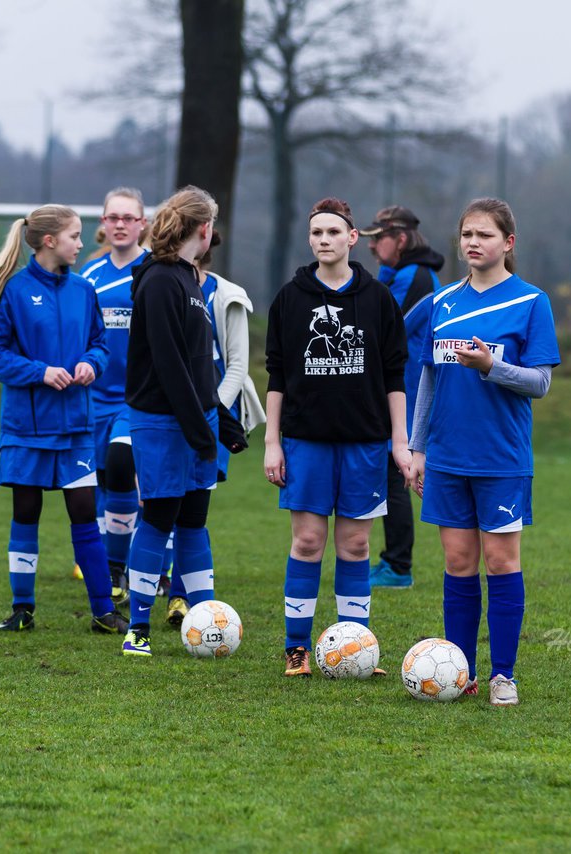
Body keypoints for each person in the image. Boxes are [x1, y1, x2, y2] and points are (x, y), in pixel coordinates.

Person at [408, 197, 559, 706]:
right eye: (467, 234)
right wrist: (417, 447)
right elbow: (428, 378)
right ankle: (461, 670)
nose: (473, 243)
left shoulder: (531, 302)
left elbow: (539, 383)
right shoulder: (441, 302)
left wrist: (490, 366)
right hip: (447, 455)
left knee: (500, 560)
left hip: (500, 457)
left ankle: (504, 675)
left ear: (508, 243)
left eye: (485, 235)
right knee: (457, 561)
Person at [0, 204, 127, 635]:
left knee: (85, 513)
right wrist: (39, 372)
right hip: (27, 429)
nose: (83, 243)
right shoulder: (13, 291)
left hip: (74, 429)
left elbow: (100, 344)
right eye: (75, 236)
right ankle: (22, 610)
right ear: (50, 241)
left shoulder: (84, 290)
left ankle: (103, 610)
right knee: (26, 511)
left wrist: (92, 363)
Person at [264, 197, 409, 677]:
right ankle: (296, 648)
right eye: (316, 233)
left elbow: (394, 376)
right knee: (307, 542)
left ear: (352, 238)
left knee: (355, 547)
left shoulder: (378, 299)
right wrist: (272, 441)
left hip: (365, 442)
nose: (323, 240)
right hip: (305, 442)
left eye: (332, 232)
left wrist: (399, 441)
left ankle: (356, 648)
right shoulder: (290, 297)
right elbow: (278, 376)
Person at [120, 185, 221, 657]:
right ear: (204, 228)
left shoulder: (190, 278)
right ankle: (136, 628)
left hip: (196, 418)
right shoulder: (159, 279)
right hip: (162, 422)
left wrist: (221, 418)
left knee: (195, 520)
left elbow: (199, 363)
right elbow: (167, 362)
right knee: (159, 517)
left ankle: (206, 620)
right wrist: (198, 428)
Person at [154, 229, 266, 627]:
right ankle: (160, 585)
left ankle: (183, 600)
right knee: (161, 504)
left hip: (212, 416)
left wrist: (211, 412)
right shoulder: (163, 285)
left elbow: (237, 366)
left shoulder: (226, 293)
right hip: (169, 415)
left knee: (192, 509)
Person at [359, 206, 445, 589]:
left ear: (403, 239)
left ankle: (397, 566)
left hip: (407, 392)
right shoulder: (401, 273)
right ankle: (394, 562)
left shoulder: (416, 277)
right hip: (393, 391)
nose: (373, 246)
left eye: (380, 238)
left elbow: (385, 327)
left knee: (396, 475)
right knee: (390, 473)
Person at [76, 188, 149, 604]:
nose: (120, 224)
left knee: (123, 469)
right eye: (112, 217)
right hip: (91, 398)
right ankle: (111, 559)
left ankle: (118, 566)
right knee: (100, 480)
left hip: (136, 398)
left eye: (128, 217)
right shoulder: (89, 276)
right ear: (102, 224)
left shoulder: (154, 271)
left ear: (142, 224)